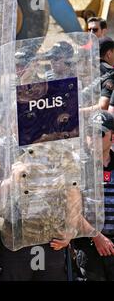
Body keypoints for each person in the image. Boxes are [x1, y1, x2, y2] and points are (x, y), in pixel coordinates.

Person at [73, 111, 114, 280]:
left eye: (100, 134)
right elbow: (72, 211)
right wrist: (96, 236)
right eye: (90, 133)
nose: (93, 138)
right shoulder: (77, 167)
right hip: (89, 247)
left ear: (112, 137)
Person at [96, 38, 114, 111]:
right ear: (109, 54)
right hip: (98, 119)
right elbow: (103, 106)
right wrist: (78, 111)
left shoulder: (86, 68)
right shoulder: (111, 72)